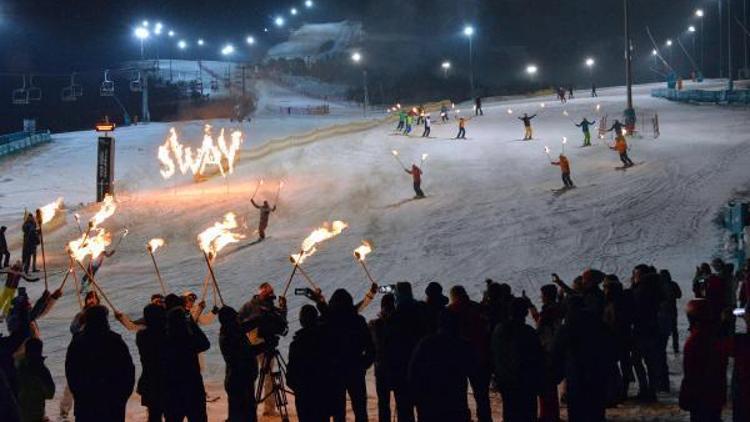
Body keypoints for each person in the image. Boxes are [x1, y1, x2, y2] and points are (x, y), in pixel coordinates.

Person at [65, 305, 135, 422]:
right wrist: (122, 396)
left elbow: (71, 373)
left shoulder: (77, 342)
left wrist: (79, 396)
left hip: (86, 402)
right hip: (112, 402)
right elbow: (128, 370)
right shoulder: (115, 341)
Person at [552, 296, 612, 422]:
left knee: (577, 409)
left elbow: (556, 352)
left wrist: (556, 374)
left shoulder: (567, 326)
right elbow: (611, 344)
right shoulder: (598, 323)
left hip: (576, 374)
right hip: (598, 372)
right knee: (596, 408)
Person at [409, 311, 477, 422]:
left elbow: (413, 374)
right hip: (456, 403)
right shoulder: (463, 345)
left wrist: (415, 399)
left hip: (430, 405)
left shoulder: (425, 344)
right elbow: (474, 371)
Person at [319, 289, 374, 422]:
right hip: (355, 370)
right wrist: (364, 364)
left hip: (335, 372)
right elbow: (370, 347)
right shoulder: (358, 321)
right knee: (360, 409)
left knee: (338, 412)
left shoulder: (328, 322)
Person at [238, 283, 287, 417]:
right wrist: (253, 323)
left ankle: (269, 409)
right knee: (251, 376)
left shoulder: (271, 306)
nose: (270, 294)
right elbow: (238, 322)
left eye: (271, 292)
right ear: (260, 292)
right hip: (252, 344)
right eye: (267, 292)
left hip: (268, 343)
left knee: (268, 377)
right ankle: (249, 406)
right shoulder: (250, 305)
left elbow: (281, 323)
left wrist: (283, 308)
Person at [492, 297, 544, 422]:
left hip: (506, 380)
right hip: (526, 382)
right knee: (528, 413)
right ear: (525, 313)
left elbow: (494, 353)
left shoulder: (499, 329)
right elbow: (538, 357)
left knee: (510, 412)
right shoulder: (529, 332)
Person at [680, 298, 730, 422]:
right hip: (715, 393)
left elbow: (690, 373)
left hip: (700, 396)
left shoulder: (695, 340)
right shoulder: (715, 335)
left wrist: (686, 395)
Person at [448, 286, 492, 422]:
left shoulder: (450, 311)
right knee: (482, 396)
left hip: (458, 359)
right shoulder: (477, 307)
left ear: (453, 296)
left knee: (459, 395)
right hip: (480, 357)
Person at [383, 282, 425, 422]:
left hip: (401, 367)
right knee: (422, 406)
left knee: (404, 408)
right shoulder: (420, 309)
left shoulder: (395, 316)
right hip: (421, 365)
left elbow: (389, 344)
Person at [163, 306, 210, 422]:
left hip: (172, 388)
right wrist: (193, 325)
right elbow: (205, 344)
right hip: (193, 386)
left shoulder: (164, 339)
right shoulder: (189, 338)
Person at [287, 305, 331, 422]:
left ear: (301, 321)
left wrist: (298, 389)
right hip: (322, 393)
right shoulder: (325, 340)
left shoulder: (296, 345)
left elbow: (290, 376)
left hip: (304, 395)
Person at [527, 285, 564, 422]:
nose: (541, 297)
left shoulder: (548, 312)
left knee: (545, 386)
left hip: (546, 352)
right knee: (551, 386)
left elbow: (539, 328)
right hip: (555, 350)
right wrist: (531, 306)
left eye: (542, 294)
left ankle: (547, 416)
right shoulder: (557, 309)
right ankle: (552, 415)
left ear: (546, 296)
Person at [219, 305, 260, 422]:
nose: (238, 320)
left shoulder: (229, 332)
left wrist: (259, 318)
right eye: (235, 318)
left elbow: (245, 327)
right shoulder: (230, 336)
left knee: (241, 414)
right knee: (244, 415)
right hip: (239, 381)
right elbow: (247, 352)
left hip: (238, 380)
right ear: (230, 321)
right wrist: (266, 345)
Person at [136, 304, 167, 422]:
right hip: (167, 379)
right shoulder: (167, 334)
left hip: (149, 379)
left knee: (154, 415)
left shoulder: (142, 335)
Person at [369, 294, 396, 422]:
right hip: (398, 367)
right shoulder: (399, 324)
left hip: (381, 368)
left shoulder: (374, 325)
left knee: (383, 404)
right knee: (403, 403)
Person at [15, 337, 55, 422]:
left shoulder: (19, 367)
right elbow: (50, 394)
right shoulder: (42, 370)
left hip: (19, 412)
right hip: (37, 414)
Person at [659, 269, 682, 354]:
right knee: (674, 330)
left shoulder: (659, 285)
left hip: (662, 311)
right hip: (672, 310)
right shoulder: (673, 284)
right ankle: (676, 347)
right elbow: (679, 295)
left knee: (663, 330)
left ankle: (662, 348)